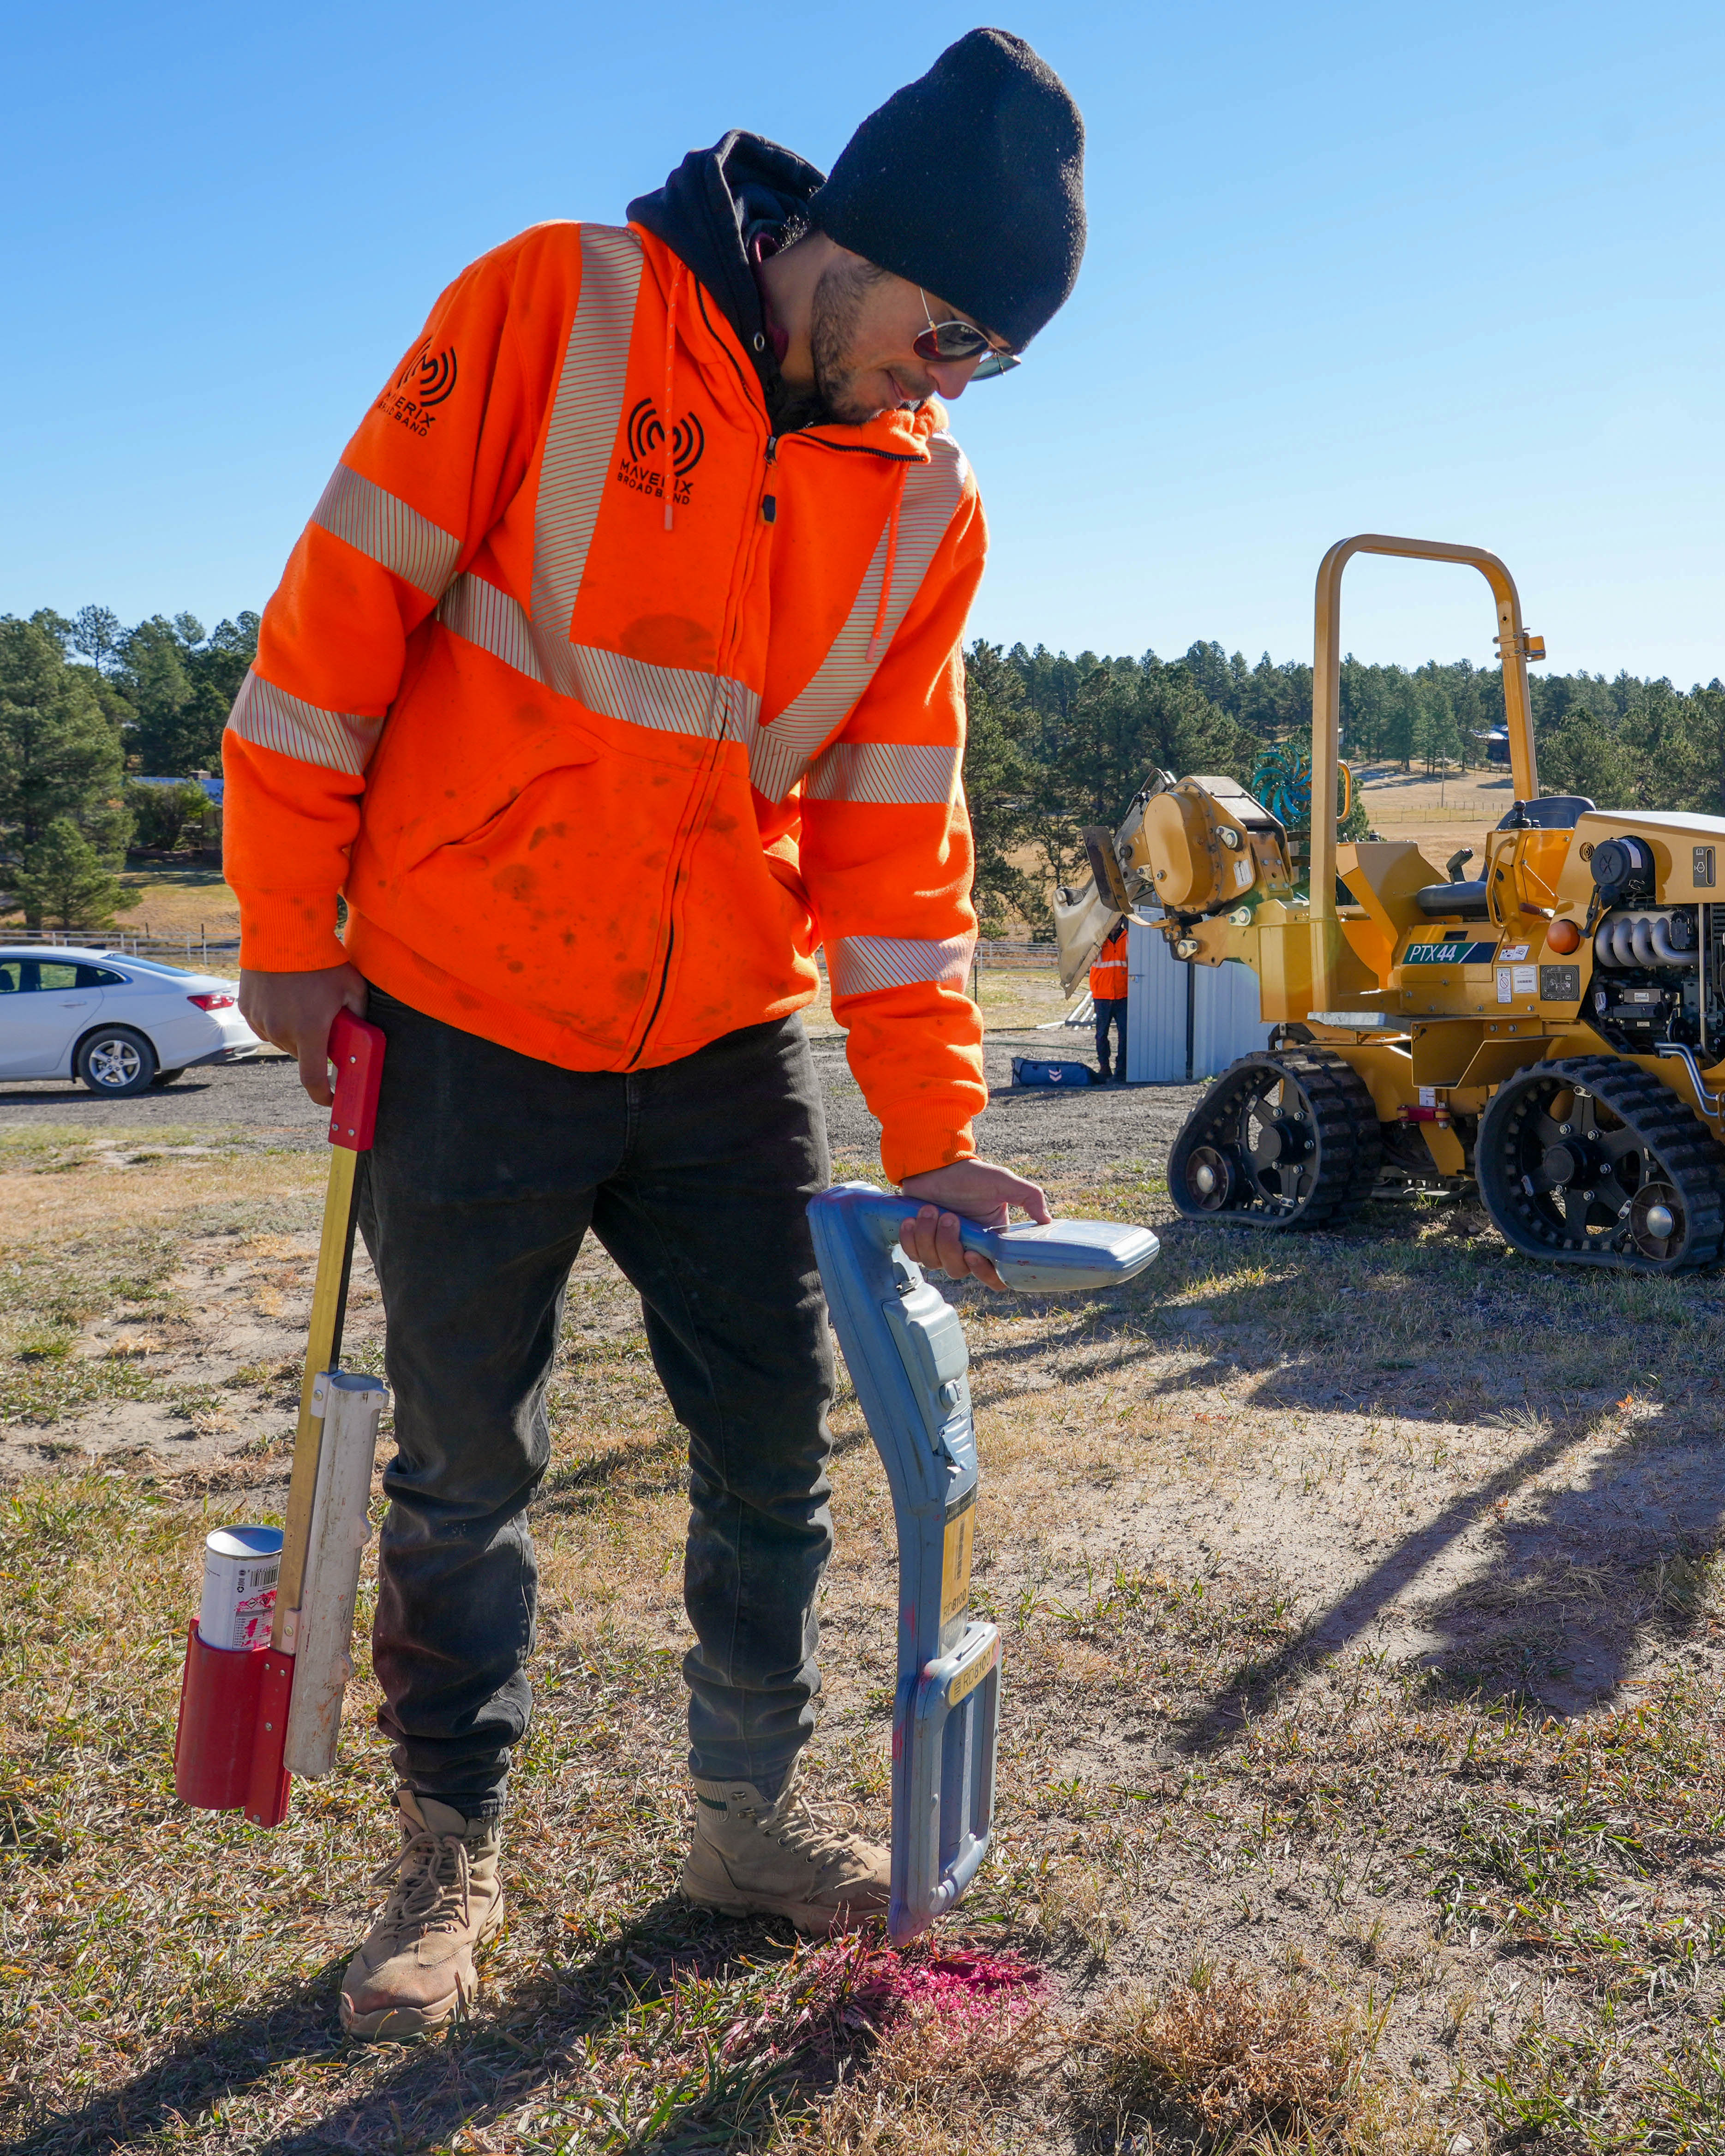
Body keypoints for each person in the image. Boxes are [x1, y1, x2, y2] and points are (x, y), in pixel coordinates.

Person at [224, 29, 1085, 2039]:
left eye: (992, 360)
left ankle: (736, 1817)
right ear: (851, 246)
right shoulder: (554, 306)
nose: (946, 382)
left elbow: (894, 838)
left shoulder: (924, 504)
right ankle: (448, 1859)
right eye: (947, 332)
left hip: (716, 1039)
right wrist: (286, 929)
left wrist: (935, 1118)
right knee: (461, 1470)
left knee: (773, 1445)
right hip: (461, 1010)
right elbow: (334, 621)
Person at [1090, 919, 1129, 1082]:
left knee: (1125, 1034)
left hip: (1123, 995)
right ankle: (1104, 1068)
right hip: (1102, 995)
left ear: (1122, 920)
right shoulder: (1096, 939)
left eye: (1118, 918)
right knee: (1101, 1034)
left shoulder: (1129, 938)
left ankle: (1122, 1070)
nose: (1115, 922)